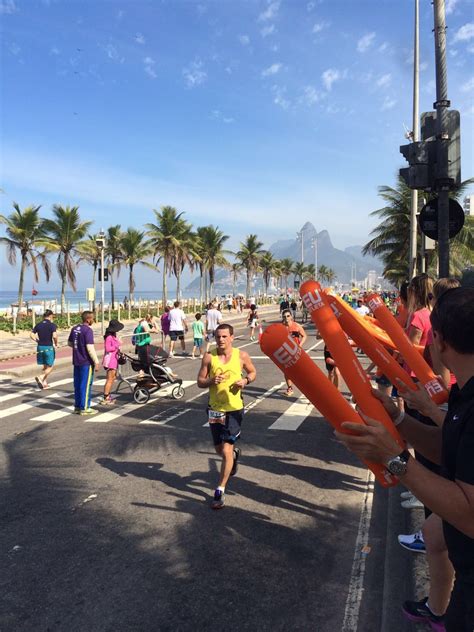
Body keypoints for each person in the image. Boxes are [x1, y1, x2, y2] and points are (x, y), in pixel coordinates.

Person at [336, 287, 474, 631]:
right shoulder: (464, 393)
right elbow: (447, 448)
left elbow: (470, 515)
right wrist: (399, 419)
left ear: (438, 341)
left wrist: (395, 458)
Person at [197, 323, 257, 510]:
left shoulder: (241, 356)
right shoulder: (209, 357)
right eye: (218, 336)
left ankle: (220, 490)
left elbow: (253, 372)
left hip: (234, 409)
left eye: (224, 336)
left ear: (232, 337)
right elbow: (200, 381)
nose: (221, 340)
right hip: (215, 409)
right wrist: (210, 381)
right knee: (218, 449)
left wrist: (245, 380)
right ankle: (234, 457)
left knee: (226, 450)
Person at [68, 311, 100, 415]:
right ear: (88, 319)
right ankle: (85, 407)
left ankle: (77, 406)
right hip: (86, 361)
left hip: (76, 360)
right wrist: (96, 361)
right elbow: (90, 347)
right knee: (85, 385)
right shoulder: (88, 330)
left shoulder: (74, 329)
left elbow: (69, 343)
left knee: (77, 384)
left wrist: (78, 349)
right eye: (92, 319)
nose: (93, 321)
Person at [30, 309, 58, 389]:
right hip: (48, 347)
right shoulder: (52, 325)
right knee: (50, 366)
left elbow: (31, 334)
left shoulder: (38, 325)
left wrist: (37, 340)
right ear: (50, 316)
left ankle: (44, 382)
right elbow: (55, 336)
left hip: (40, 346)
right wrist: (56, 343)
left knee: (45, 365)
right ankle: (41, 377)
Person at [281, 309, 307, 396]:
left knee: (299, 371)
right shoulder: (281, 327)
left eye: (288, 316)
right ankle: (290, 388)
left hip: (296, 352)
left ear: (291, 317)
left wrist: (300, 345)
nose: (286, 318)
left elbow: (304, 336)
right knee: (286, 371)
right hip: (286, 352)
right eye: (284, 316)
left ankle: (306, 388)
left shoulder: (297, 326)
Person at [101, 319, 124, 405]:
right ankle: (106, 397)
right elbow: (108, 348)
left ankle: (107, 396)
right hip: (110, 360)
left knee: (112, 378)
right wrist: (117, 345)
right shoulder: (109, 337)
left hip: (114, 359)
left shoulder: (113, 336)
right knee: (110, 379)